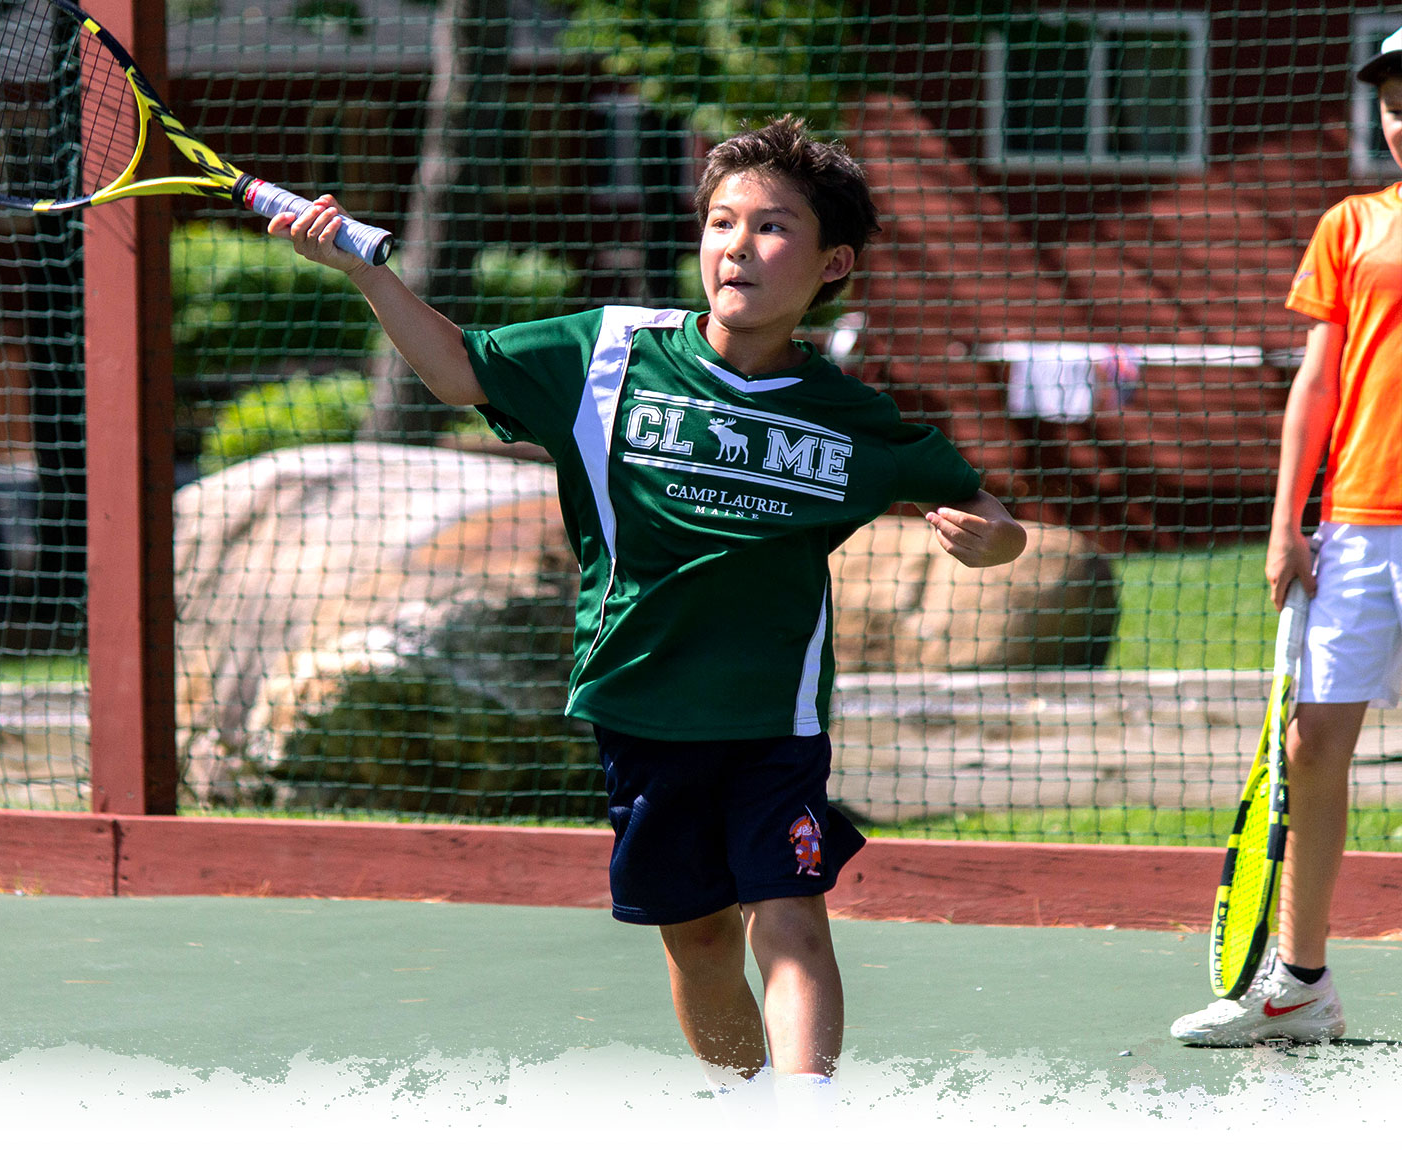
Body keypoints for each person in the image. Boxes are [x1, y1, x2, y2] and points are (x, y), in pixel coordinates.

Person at [271, 115, 1026, 1106]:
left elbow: (988, 509)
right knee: (700, 937)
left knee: (790, 914)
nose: (737, 246)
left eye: (772, 227)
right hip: (640, 709)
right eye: (721, 222)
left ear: (831, 262)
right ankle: (746, 1104)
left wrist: (991, 536)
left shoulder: (851, 417)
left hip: (774, 721)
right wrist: (363, 270)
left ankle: (810, 1117)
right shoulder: (608, 355)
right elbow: (458, 371)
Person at [1170, 27, 1402, 1047]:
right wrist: (1285, 522)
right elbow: (1317, 381)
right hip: (1354, 526)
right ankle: (1300, 983)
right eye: (1393, 101)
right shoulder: (1351, 225)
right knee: (1311, 746)